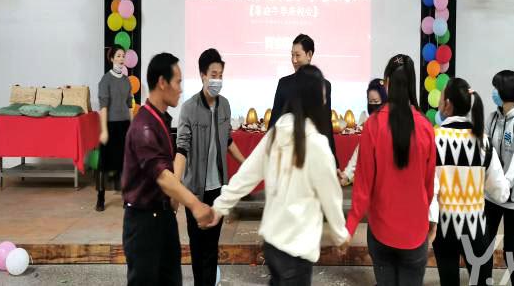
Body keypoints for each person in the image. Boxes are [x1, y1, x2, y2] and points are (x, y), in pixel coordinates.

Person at [205, 65, 348, 286]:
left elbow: (247, 174)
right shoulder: (317, 144)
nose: (324, 100)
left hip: (273, 245)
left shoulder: (276, 133)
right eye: (322, 95)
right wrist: (340, 235)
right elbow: (331, 196)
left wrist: (220, 206)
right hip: (297, 250)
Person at [121, 52, 213, 286]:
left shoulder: (160, 120)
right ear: (162, 82)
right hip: (144, 223)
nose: (181, 89)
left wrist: (175, 198)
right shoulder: (144, 127)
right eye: (178, 82)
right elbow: (162, 176)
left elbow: (169, 167)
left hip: (163, 217)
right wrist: (195, 204)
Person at [346, 54, 436, 286]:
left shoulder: (373, 125)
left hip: (381, 232)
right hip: (415, 234)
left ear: (386, 83)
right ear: (413, 84)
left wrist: (350, 226)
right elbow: (428, 187)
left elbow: (363, 186)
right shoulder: (426, 128)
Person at [173, 48, 246, 286]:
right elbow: (182, 149)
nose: (217, 80)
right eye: (213, 75)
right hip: (195, 190)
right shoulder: (189, 108)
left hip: (218, 189)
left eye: (221, 75)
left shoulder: (225, 105)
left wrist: (246, 164)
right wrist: (175, 187)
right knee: (198, 247)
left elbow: (228, 140)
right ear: (203, 75)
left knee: (212, 247)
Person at [432, 78, 510, 286]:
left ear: (447, 103)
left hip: (444, 227)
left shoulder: (434, 139)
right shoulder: (483, 141)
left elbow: (429, 188)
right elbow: (501, 193)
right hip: (476, 228)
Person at [484, 70, 514, 286]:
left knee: (510, 251)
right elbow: (483, 148)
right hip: (492, 195)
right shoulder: (492, 118)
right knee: (485, 246)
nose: (493, 92)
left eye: (496, 88)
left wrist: (507, 182)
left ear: (504, 91)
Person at [269, 34, 336, 163]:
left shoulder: (324, 85)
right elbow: (274, 121)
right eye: (292, 55)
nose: (294, 60)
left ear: (309, 55)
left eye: (297, 55)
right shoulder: (284, 84)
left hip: (314, 154)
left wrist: (333, 161)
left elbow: (326, 125)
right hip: (287, 154)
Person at [96, 44, 132, 212]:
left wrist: (132, 126)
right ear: (111, 58)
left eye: (123, 56)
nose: (121, 59)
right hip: (110, 125)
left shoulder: (126, 80)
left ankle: (127, 197)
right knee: (104, 163)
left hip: (125, 125)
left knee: (125, 163)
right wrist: (104, 130)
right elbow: (103, 107)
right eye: (118, 56)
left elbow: (129, 105)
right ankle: (100, 198)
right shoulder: (105, 80)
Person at [337, 78, 387, 186]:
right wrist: (346, 175)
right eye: (370, 102)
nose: (373, 105)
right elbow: (360, 150)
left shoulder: (391, 123)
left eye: (376, 102)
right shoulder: (370, 123)